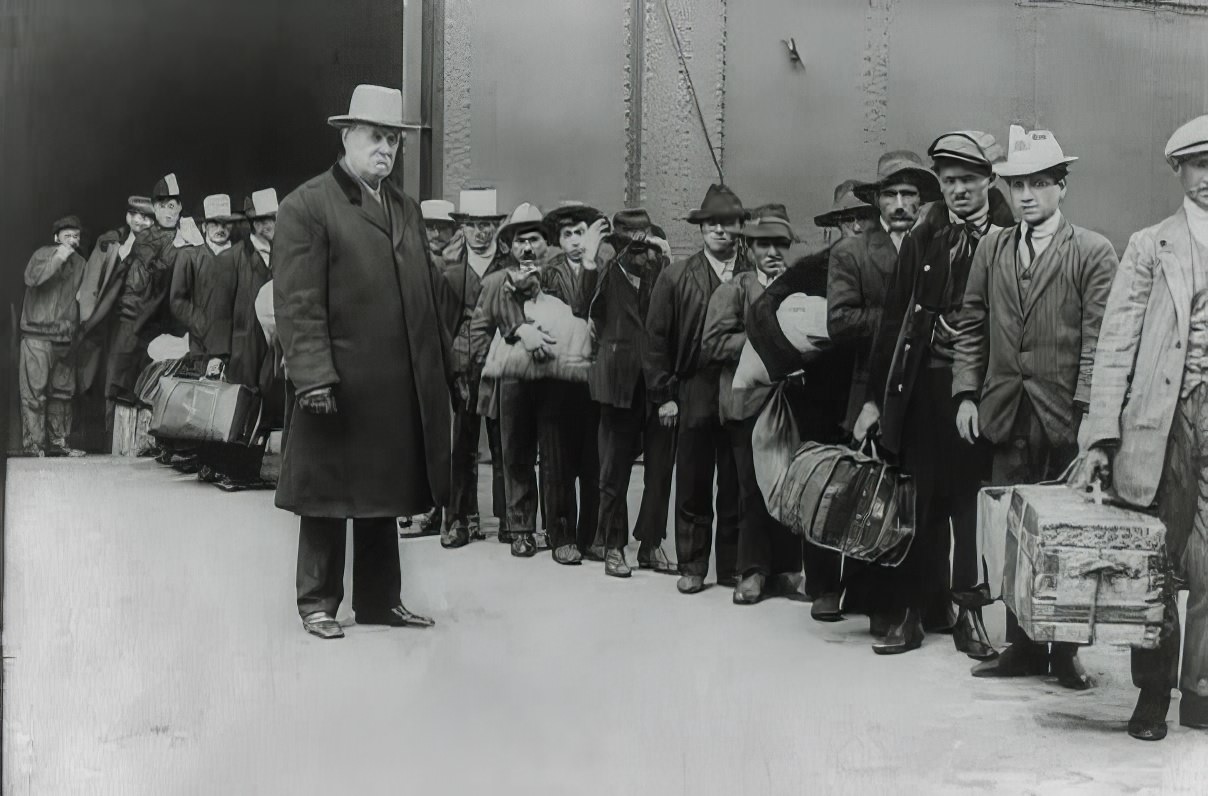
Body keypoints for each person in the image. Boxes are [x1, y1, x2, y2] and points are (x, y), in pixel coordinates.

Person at [273, 84, 461, 640]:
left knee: (384, 494)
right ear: (346, 136)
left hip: (395, 384)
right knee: (328, 496)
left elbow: (425, 294)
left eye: (394, 141)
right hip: (337, 384)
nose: (387, 149)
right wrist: (312, 379)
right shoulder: (307, 206)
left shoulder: (402, 207)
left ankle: (380, 600)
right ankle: (317, 603)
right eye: (376, 137)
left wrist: (447, 372)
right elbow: (297, 302)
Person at [953, 126, 1115, 680]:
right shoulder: (993, 246)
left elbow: (1099, 341)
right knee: (1011, 529)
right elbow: (971, 324)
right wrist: (967, 393)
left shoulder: (1092, 251)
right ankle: (1022, 645)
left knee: (1064, 534)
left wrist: (1088, 412)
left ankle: (1066, 651)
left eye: (1039, 183)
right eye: (1018, 184)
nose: (1026, 195)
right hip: (1003, 409)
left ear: (1061, 187)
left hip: (1061, 415)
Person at [1074, 114, 1208, 740]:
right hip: (1163, 422)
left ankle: (1202, 691)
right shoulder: (1150, 244)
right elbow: (1116, 345)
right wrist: (1102, 434)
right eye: (1200, 164)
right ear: (1177, 170)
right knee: (1153, 561)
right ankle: (1152, 694)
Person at [857, 131, 1015, 656]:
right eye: (948, 182)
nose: (958, 191)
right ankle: (913, 611)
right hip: (923, 389)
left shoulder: (1010, 235)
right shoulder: (927, 236)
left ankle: (969, 613)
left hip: (978, 393)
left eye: (968, 180)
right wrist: (876, 399)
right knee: (917, 503)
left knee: (968, 507)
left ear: (989, 181)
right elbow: (894, 320)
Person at [825, 153, 938, 627]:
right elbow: (839, 321)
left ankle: (928, 602)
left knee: (924, 497)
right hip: (870, 390)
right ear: (875, 201)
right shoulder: (851, 252)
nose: (899, 204)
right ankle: (875, 602)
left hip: (924, 393)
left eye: (908, 195)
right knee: (875, 495)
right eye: (889, 195)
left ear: (921, 200)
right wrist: (903, 326)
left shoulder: (939, 245)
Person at [745, 182, 869, 605]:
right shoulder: (814, 269)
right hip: (818, 397)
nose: (859, 227)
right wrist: (792, 365)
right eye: (850, 220)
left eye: (867, 219)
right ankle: (823, 588)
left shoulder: (889, 268)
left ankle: (861, 587)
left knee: (864, 491)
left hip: (869, 397)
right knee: (822, 487)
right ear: (838, 225)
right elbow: (761, 314)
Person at [646, 183, 746, 594]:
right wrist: (665, 395)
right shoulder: (675, 277)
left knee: (737, 479)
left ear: (740, 229)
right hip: (693, 386)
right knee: (692, 478)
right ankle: (693, 563)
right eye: (712, 224)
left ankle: (733, 566)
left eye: (728, 224)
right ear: (701, 229)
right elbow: (655, 341)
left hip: (741, 386)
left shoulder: (751, 275)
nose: (720, 231)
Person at [701, 204, 796, 604]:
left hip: (788, 404)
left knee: (789, 484)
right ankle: (752, 571)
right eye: (763, 244)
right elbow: (712, 344)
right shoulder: (735, 289)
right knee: (751, 489)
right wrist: (768, 340)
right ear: (749, 247)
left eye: (779, 244)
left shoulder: (797, 286)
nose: (772, 252)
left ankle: (788, 569)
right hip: (746, 404)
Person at [468, 202, 567, 561]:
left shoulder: (556, 280)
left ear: (547, 243)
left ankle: (558, 531)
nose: (528, 248)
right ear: (509, 246)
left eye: (535, 240)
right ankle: (521, 529)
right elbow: (478, 331)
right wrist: (487, 367)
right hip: (512, 383)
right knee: (516, 455)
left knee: (555, 456)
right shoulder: (495, 282)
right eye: (520, 241)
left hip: (553, 379)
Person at [588, 209, 677, 577]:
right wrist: (594, 258)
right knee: (614, 471)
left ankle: (651, 544)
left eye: (647, 247)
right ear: (618, 248)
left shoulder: (661, 274)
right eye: (632, 248)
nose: (642, 256)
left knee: (659, 471)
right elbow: (585, 306)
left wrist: (667, 254)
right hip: (618, 384)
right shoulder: (606, 275)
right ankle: (611, 545)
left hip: (657, 384)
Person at [433, 188, 509, 548]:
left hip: (501, 365)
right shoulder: (451, 273)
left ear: (497, 227)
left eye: (488, 225)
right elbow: (445, 329)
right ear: (463, 228)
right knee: (463, 444)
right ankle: (459, 519)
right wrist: (453, 373)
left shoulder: (508, 268)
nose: (481, 232)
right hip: (466, 367)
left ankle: (511, 521)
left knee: (504, 442)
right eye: (474, 225)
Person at [539, 201, 607, 559]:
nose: (577, 241)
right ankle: (561, 537)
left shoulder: (605, 270)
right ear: (558, 241)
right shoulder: (549, 275)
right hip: (559, 381)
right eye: (568, 235)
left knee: (593, 461)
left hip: (593, 381)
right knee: (558, 463)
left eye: (581, 232)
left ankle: (590, 537)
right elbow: (579, 311)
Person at [75, 196, 156, 433]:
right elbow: (90, 284)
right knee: (105, 379)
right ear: (128, 217)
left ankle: (133, 440)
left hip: (140, 325)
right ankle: (107, 439)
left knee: (136, 381)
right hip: (107, 322)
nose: (142, 221)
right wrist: (87, 319)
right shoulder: (110, 243)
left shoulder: (158, 248)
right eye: (138, 215)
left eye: (148, 217)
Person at [105, 174, 184, 412]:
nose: (167, 212)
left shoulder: (188, 235)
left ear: (180, 207)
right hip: (136, 321)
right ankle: (114, 446)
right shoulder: (146, 239)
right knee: (120, 385)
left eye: (172, 205)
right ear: (154, 208)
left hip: (170, 326)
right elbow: (163, 268)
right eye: (161, 206)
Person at [19, 215, 87, 457]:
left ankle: (59, 444)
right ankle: (34, 446)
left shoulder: (80, 263)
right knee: (34, 394)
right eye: (67, 235)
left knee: (62, 394)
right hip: (37, 336)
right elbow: (32, 278)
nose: (72, 240)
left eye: (76, 236)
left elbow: (85, 298)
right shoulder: (42, 254)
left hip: (65, 339)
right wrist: (59, 257)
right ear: (56, 238)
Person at [169, 193, 239, 357]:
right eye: (214, 223)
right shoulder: (189, 256)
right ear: (204, 226)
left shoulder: (241, 256)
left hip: (236, 345)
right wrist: (200, 322)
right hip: (201, 345)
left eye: (225, 224)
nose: (220, 229)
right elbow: (177, 300)